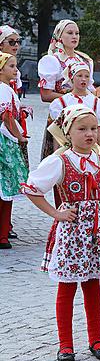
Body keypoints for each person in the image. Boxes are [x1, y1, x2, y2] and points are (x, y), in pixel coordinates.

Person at [23, 105, 100, 361]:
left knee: (93, 285)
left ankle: (96, 339)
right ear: (68, 132)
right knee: (66, 288)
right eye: (82, 129)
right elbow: (33, 188)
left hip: (97, 232)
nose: (89, 134)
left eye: (93, 129)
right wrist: (56, 213)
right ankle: (65, 343)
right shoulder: (60, 161)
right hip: (72, 233)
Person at [37, 20, 95, 161]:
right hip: (60, 118)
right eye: (69, 33)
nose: (74, 36)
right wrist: (71, 97)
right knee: (59, 160)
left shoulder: (85, 60)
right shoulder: (52, 60)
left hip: (83, 118)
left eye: (77, 33)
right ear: (59, 37)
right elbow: (45, 95)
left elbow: (90, 90)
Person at [48, 63, 100, 157]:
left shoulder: (96, 102)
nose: (83, 79)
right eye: (79, 76)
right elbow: (58, 133)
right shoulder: (61, 102)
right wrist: (56, 154)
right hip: (68, 152)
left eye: (87, 76)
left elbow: (99, 130)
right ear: (72, 78)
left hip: (90, 151)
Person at [0, 53, 28, 249]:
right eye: (11, 66)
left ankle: (3, 231)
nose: (15, 69)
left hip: (6, 138)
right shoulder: (3, 89)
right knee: (5, 184)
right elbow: (7, 117)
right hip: (4, 141)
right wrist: (19, 137)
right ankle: (2, 233)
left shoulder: (7, 88)